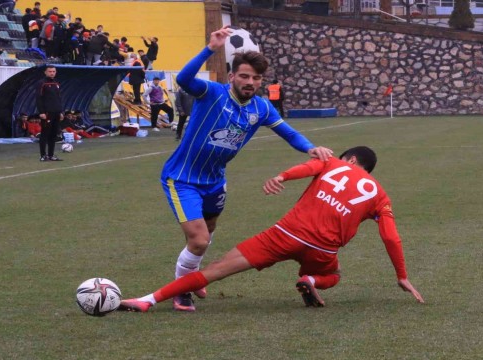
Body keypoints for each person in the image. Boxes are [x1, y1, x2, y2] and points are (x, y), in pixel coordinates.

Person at [155, 25, 332, 312]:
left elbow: (289, 133)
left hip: (215, 180)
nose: (250, 82)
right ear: (232, 76)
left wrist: (311, 148)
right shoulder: (211, 93)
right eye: (245, 76)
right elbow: (185, 78)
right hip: (182, 178)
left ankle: (193, 276)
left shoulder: (261, 108)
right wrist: (210, 48)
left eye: (256, 78)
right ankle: (182, 290)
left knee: (209, 229)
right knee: (199, 240)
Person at [119, 146, 424, 313]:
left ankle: (147, 300)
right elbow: (390, 236)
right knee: (333, 275)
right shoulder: (380, 195)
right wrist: (401, 276)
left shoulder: (332, 164)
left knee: (216, 270)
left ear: (351, 159)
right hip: (323, 249)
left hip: (285, 235)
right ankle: (310, 279)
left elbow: (307, 168)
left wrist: (281, 176)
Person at [36, 65, 63, 161]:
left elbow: (59, 98)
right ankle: (43, 155)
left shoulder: (57, 82)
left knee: (53, 134)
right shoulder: (41, 83)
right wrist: (41, 112)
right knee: (45, 134)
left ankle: (51, 155)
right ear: (45, 72)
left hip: (56, 112)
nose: (52, 73)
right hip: (47, 113)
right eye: (50, 71)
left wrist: (60, 112)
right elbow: (39, 98)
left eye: (54, 71)